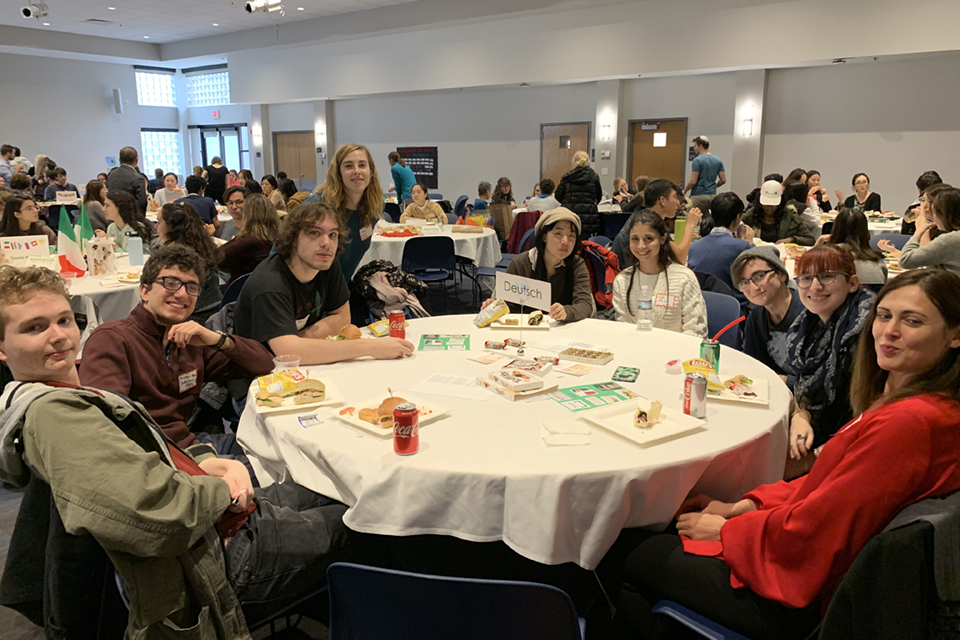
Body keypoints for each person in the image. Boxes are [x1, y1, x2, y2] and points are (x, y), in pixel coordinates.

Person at [0, 265, 356, 639]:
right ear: (3, 349)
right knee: (364, 516)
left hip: (210, 514)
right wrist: (221, 490)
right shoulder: (57, 413)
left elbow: (267, 362)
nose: (58, 336)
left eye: (63, 320)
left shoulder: (73, 396)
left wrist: (202, 461)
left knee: (333, 482)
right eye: (34, 328)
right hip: (214, 556)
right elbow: (151, 511)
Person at [606, 268, 960, 640]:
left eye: (913, 321)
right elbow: (826, 483)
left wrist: (728, 532)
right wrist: (743, 507)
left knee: (618, 549)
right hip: (802, 556)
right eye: (885, 315)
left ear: (955, 334)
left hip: (800, 595)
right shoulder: (913, 403)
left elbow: (820, 529)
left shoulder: (911, 423)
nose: (889, 332)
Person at [79, 243, 271, 447]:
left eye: (191, 287)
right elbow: (107, 427)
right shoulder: (112, 340)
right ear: (145, 291)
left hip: (190, 443)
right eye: (170, 283)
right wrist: (193, 459)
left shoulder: (191, 342)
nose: (181, 294)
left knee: (278, 454)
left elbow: (266, 364)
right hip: (155, 457)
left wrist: (217, 339)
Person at [234, 202, 413, 364]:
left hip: (294, 366)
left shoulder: (325, 264)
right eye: (314, 233)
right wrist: (370, 347)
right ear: (293, 238)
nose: (326, 243)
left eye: (333, 235)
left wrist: (297, 340)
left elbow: (342, 319)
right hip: (257, 381)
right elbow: (289, 353)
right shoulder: (270, 284)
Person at [786, 245, 874, 476]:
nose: (815, 286)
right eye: (806, 278)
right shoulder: (808, 326)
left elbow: (866, 417)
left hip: (851, 452)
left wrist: (812, 460)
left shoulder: (866, 334)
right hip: (815, 432)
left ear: (852, 283)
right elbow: (802, 387)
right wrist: (800, 414)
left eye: (826, 276)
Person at [481, 208, 596, 322]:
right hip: (526, 330)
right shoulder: (521, 263)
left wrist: (567, 311)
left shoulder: (577, 264)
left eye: (572, 235)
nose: (565, 241)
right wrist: (495, 307)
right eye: (558, 234)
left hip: (563, 329)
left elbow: (585, 305)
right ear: (544, 236)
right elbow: (509, 305)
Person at [612, 210, 707, 336]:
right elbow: (623, 330)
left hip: (678, 352)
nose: (641, 246)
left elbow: (696, 331)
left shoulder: (684, 278)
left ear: (663, 239)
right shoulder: (622, 280)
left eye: (648, 238)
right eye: (635, 239)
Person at [306, 143, 384, 282]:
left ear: (371, 171)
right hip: (308, 291)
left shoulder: (372, 209)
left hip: (341, 291)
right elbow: (280, 253)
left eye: (362, 165)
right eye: (348, 166)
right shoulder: (316, 206)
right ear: (338, 174)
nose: (356, 171)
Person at [731, 246, 803, 386]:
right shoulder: (756, 317)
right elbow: (753, 365)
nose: (754, 287)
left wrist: (781, 380)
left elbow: (821, 381)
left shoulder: (808, 314)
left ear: (781, 274)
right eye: (745, 282)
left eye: (759, 276)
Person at [156, 202, 223, 323]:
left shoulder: (179, 256)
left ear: (171, 226)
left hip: (193, 315)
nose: (156, 226)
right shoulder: (201, 244)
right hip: (214, 310)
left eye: (159, 222)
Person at [612, 179, 702, 267]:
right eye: (674, 197)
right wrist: (690, 225)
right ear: (662, 200)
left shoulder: (643, 215)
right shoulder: (650, 222)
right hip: (628, 275)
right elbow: (680, 258)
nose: (678, 202)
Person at [687, 192, 754, 293]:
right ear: (737, 218)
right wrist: (750, 243)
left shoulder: (694, 246)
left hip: (700, 302)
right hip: (733, 305)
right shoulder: (743, 247)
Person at [815, 208, 887, 288]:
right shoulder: (878, 261)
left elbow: (807, 269)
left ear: (835, 229)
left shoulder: (825, 258)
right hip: (873, 299)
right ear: (865, 232)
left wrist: (819, 242)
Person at [898, 186, 960, 276]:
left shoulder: (950, 239)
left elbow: (905, 260)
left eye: (923, 200)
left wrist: (919, 230)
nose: (922, 206)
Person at [220, 193, 279, 286]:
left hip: (237, 292)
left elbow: (217, 258)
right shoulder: (276, 236)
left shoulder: (249, 240)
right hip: (264, 287)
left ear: (248, 215)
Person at [742, 180, 815, 246]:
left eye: (773, 204)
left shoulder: (790, 216)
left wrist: (792, 239)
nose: (769, 207)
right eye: (766, 204)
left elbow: (810, 239)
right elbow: (735, 227)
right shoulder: (752, 214)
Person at [555, 150, 603, 237]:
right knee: (586, 244)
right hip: (588, 218)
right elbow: (599, 196)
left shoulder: (567, 177)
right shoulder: (594, 177)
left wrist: (568, 202)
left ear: (574, 161)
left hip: (570, 215)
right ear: (587, 161)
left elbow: (557, 195)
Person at [683, 135, 726, 214]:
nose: (694, 148)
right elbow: (723, 180)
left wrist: (684, 191)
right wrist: (714, 186)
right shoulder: (718, 160)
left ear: (701, 146)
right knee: (708, 221)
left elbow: (693, 181)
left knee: (692, 218)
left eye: (695, 146)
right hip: (712, 195)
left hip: (699, 196)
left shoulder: (697, 160)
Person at [106, 146, 148, 213]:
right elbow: (142, 203)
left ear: (119, 159)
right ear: (136, 160)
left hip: (113, 215)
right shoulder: (138, 178)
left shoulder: (111, 174)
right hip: (131, 216)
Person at [900, 170, 942, 235]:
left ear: (919, 190)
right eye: (923, 200)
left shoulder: (913, 210)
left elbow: (905, 236)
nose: (923, 205)